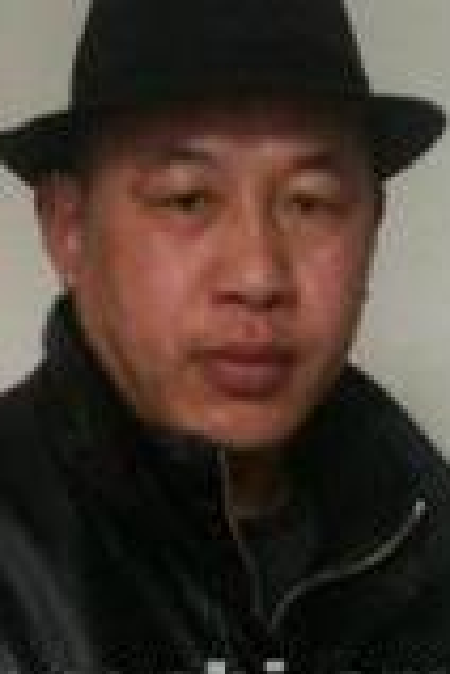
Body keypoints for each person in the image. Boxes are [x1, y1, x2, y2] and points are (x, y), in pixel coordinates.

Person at [0, 0, 448, 672]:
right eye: (188, 199)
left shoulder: (424, 531)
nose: (258, 276)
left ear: (375, 224)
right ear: (69, 225)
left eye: (310, 202)